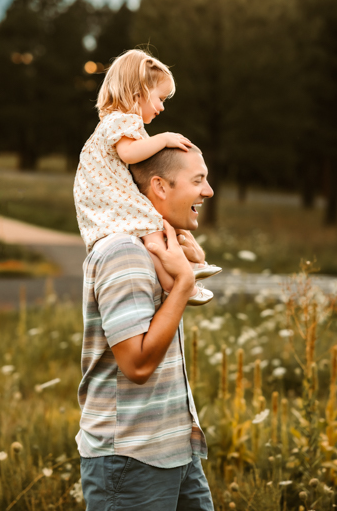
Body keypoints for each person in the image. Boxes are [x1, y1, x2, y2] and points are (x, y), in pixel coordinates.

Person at [77, 145, 215, 511]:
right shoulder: (124, 253)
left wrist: (188, 270)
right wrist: (183, 284)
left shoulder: (152, 251)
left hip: (176, 452)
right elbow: (136, 365)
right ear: (160, 186)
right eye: (198, 180)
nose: (208, 191)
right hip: (131, 460)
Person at [73, 49, 221, 305]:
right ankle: (178, 283)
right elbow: (130, 154)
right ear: (138, 92)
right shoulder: (122, 121)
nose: (162, 107)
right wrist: (163, 138)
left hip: (106, 195)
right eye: (160, 98)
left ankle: (187, 270)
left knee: (153, 227)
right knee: (150, 227)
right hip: (109, 197)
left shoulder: (116, 123)